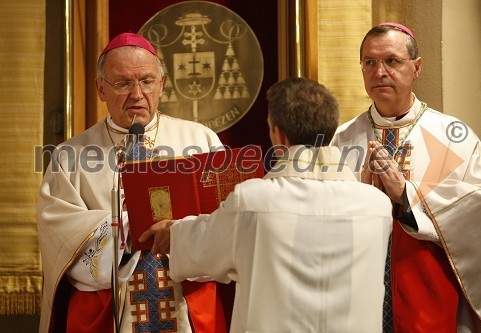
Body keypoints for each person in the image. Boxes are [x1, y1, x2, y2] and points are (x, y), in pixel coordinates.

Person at [140, 78, 393, 332]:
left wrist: (171, 232)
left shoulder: (254, 202)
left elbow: (201, 244)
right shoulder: (377, 207)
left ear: (278, 134)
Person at [37, 33, 224, 333]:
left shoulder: (200, 141)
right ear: (100, 88)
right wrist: (126, 228)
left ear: (161, 84)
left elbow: (228, 219)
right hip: (111, 312)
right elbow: (59, 231)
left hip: (186, 303)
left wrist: (183, 233)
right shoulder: (70, 156)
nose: (137, 93)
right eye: (123, 83)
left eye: (147, 81)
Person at [332, 22, 481, 332]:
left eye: (391, 61)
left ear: (417, 67)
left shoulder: (454, 136)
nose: (379, 71)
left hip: (430, 299)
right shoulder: (341, 140)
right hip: (357, 298)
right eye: (369, 62)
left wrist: (408, 196)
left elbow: (480, 202)